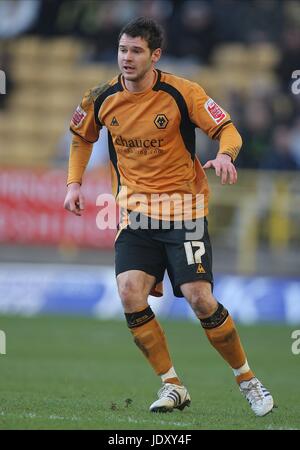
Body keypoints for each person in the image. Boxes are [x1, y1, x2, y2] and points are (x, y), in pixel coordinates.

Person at [64, 17, 274, 416]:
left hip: (184, 212)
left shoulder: (183, 92)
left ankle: (248, 380)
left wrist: (226, 155)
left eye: (136, 51)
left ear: (154, 55)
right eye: (123, 49)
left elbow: (228, 128)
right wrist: (73, 183)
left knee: (200, 299)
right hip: (135, 214)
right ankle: (172, 385)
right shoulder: (101, 96)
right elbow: (80, 136)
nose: (127, 57)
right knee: (129, 292)